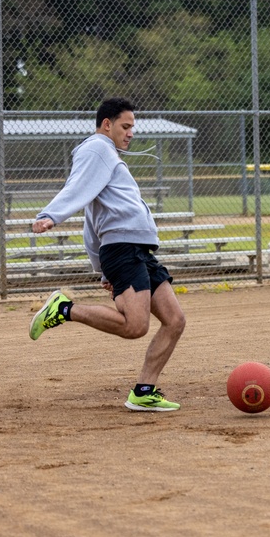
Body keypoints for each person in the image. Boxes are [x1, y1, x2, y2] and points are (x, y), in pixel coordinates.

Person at [29, 97, 186, 412]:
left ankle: (144, 391)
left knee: (174, 320)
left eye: (132, 127)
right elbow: (76, 188)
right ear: (106, 125)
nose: (130, 133)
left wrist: (102, 269)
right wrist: (52, 215)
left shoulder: (108, 157)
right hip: (124, 248)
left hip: (136, 250)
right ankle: (64, 309)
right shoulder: (97, 148)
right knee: (135, 326)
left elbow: (92, 218)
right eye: (125, 126)